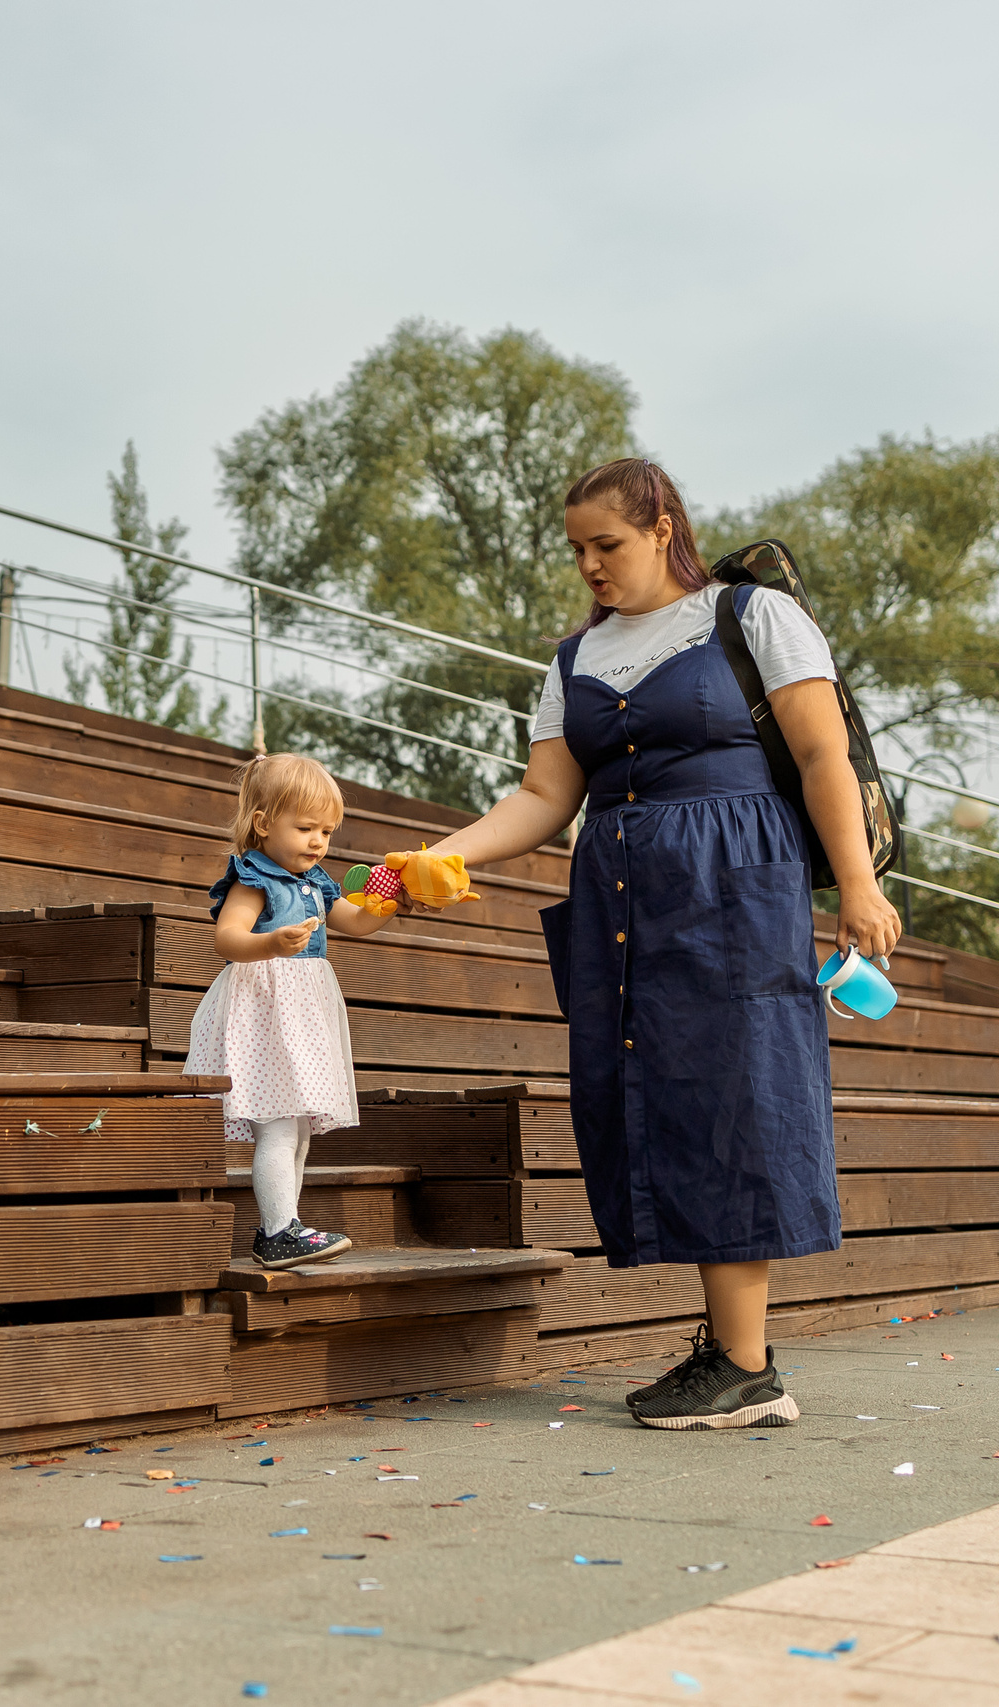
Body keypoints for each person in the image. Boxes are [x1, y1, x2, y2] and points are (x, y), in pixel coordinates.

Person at [417, 457, 900, 1428]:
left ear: (662, 526)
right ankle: (730, 1357)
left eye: (609, 544)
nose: (591, 565)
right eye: (577, 549)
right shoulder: (571, 662)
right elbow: (544, 797)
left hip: (736, 884)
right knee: (652, 1101)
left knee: (736, 1099)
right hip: (625, 899)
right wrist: (421, 865)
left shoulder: (748, 616)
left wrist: (854, 883)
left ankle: (744, 1365)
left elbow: (819, 752)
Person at [184, 753, 397, 1269]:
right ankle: (278, 1230)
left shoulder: (319, 881)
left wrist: (389, 904)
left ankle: (285, 1226)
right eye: (305, 828)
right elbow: (228, 938)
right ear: (262, 823)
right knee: (280, 1124)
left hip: (302, 1014)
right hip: (264, 1011)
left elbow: (353, 921)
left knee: (297, 1129)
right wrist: (272, 942)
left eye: (327, 831)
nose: (319, 841)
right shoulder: (255, 878)